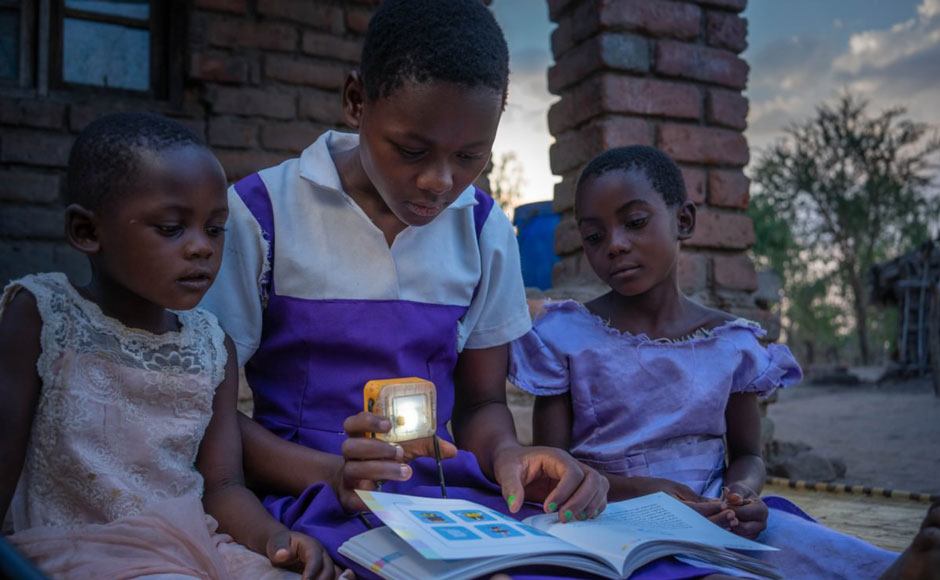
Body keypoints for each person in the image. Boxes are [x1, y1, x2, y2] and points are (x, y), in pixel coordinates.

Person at [198, 2, 736, 579]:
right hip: (306, 493)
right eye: (411, 150)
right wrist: (332, 473)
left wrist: (508, 455)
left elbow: (481, 403)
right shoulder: (262, 215)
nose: (440, 182)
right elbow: (211, 412)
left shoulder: (482, 228)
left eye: (471, 156)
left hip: (441, 497)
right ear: (356, 101)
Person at [508, 144, 938, 579]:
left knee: (800, 542)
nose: (615, 245)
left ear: (684, 221)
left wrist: (743, 495)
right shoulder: (565, 336)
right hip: (611, 516)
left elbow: (748, 454)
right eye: (594, 236)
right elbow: (556, 469)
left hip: (718, 517)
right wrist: (644, 492)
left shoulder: (731, 342)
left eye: (635, 222)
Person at [0, 112, 351, 580]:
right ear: (87, 231)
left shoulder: (210, 346)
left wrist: (274, 537)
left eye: (214, 228)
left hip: (194, 545)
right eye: (171, 228)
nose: (201, 248)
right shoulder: (43, 315)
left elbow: (223, 485)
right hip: (80, 549)